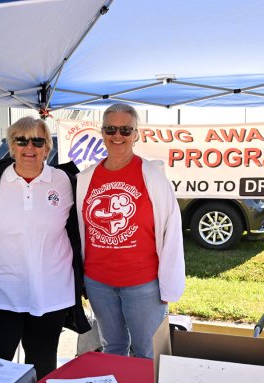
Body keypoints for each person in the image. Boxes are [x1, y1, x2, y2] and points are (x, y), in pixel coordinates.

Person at [0, 116, 89, 379]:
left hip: (52, 295)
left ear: (47, 148)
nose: (29, 147)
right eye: (21, 141)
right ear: (12, 146)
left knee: (41, 372)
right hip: (2, 293)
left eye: (37, 141)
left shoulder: (65, 181)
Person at [76, 103, 185, 358]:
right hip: (98, 282)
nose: (118, 136)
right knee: (112, 349)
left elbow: (171, 232)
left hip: (143, 284)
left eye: (125, 130)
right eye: (111, 129)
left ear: (136, 134)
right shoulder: (85, 178)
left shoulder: (153, 177)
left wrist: (169, 286)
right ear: (102, 133)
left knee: (148, 353)